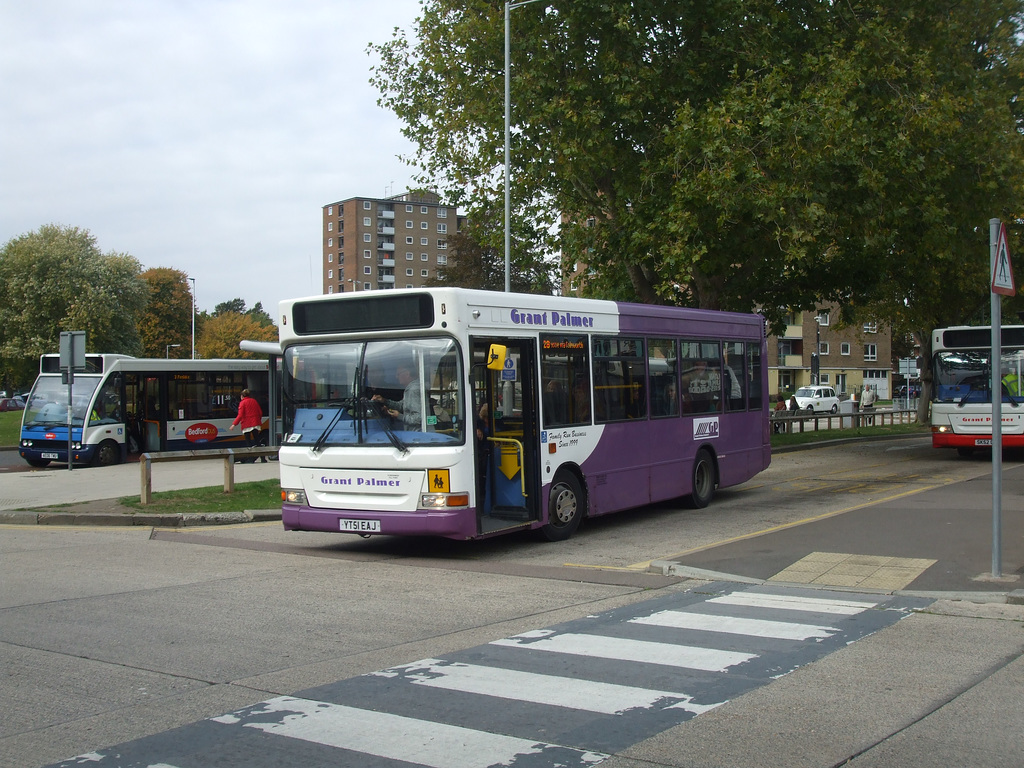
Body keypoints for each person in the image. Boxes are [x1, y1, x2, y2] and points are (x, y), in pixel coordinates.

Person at [372, 363, 422, 429]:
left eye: (398, 374)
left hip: (417, 435)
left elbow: (418, 419)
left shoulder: (413, 390)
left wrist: (399, 416)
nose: (396, 377)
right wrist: (384, 401)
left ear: (407, 374)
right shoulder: (410, 388)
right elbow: (401, 406)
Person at [228, 389, 266, 461]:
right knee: (257, 442)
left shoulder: (242, 403)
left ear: (242, 396)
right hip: (255, 424)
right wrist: (258, 420)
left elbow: (240, 415)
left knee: (248, 443)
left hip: (247, 425)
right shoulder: (254, 401)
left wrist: (234, 424)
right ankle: (263, 458)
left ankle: (250, 459)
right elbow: (260, 412)